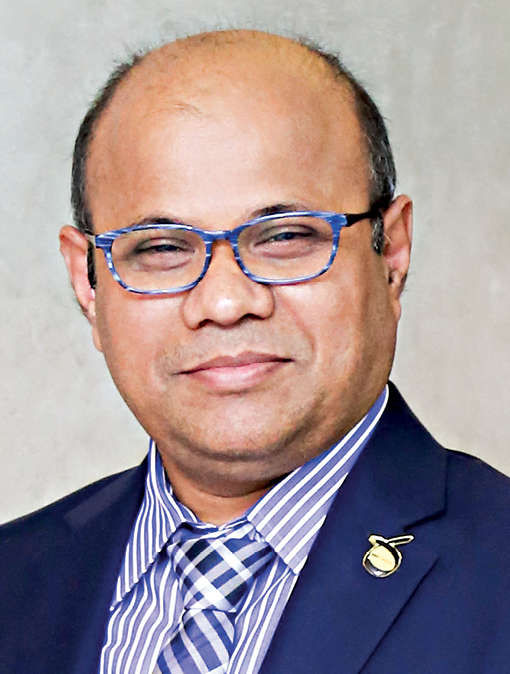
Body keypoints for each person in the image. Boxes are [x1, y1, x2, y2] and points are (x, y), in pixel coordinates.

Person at [1, 29, 509, 674]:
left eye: (285, 237)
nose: (223, 301)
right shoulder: (15, 579)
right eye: (161, 248)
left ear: (393, 254)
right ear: (87, 282)